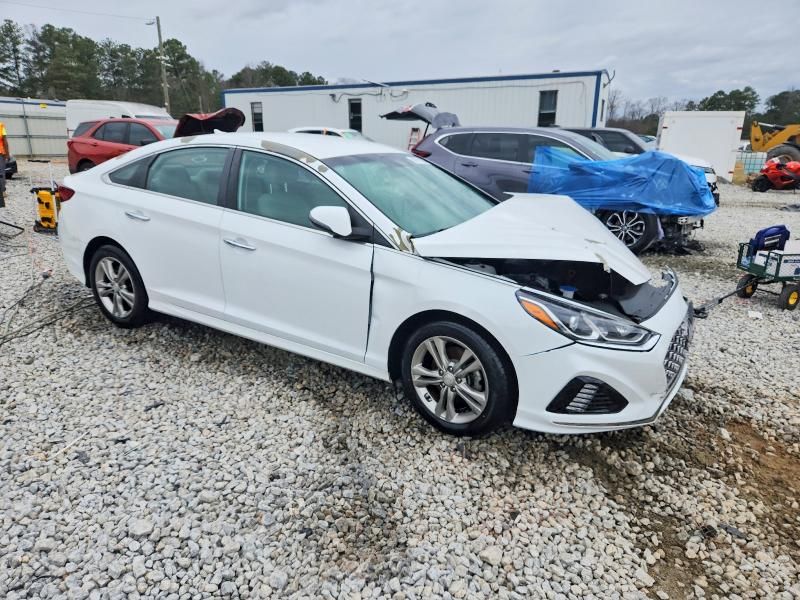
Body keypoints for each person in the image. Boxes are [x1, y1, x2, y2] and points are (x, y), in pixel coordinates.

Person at [0, 119, 8, 207]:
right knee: (1, 173)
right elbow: (5, 141)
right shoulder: (1, 125)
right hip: (0, 153)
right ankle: (2, 191)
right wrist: (7, 154)